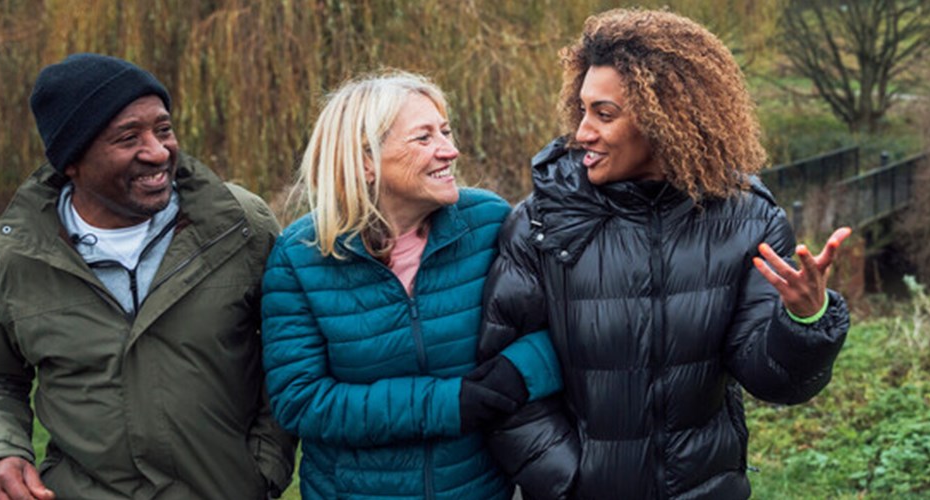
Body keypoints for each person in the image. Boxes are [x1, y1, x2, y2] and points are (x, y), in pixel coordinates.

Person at [478, 9, 854, 499]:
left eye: (604, 114)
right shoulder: (542, 223)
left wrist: (804, 322)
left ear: (667, 119)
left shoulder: (749, 221)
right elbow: (505, 386)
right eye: (583, 109)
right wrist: (570, 480)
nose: (582, 132)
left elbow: (775, 381)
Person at [0, 53, 297, 499]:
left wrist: (263, 467)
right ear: (72, 160)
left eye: (163, 129)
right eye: (128, 137)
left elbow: (291, 346)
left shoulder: (239, 224)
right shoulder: (14, 255)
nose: (158, 151)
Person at [260, 71, 562, 499]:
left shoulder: (490, 223)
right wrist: (448, 403)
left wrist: (516, 374)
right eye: (424, 138)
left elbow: (560, 326)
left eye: (446, 131)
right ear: (365, 161)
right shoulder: (301, 255)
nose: (450, 150)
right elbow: (301, 400)